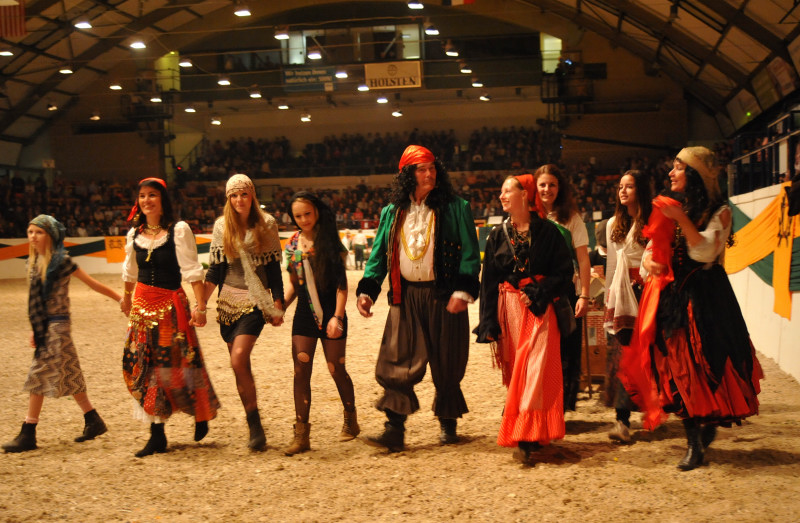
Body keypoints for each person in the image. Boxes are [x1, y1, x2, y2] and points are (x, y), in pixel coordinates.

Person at [628, 146, 762, 470]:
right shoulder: (671, 207)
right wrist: (649, 261)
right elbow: (649, 249)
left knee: (707, 364)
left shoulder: (720, 211)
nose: (671, 173)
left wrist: (682, 220)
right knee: (677, 369)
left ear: (695, 174)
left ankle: (709, 424)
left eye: (678, 168)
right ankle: (693, 444)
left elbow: (704, 252)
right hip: (674, 297)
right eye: (672, 167)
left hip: (707, 299)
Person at [356, 145, 481, 451]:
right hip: (406, 295)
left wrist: (462, 292)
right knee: (397, 358)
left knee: (447, 359)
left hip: (445, 295)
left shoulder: (456, 207)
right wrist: (367, 290)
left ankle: (448, 424)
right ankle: (394, 430)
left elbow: (469, 254)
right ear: (407, 176)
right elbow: (379, 256)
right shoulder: (392, 212)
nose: (430, 174)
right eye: (422, 169)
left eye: (433, 168)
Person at [475, 176, 574, 463]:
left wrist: (541, 290)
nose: (502, 195)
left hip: (541, 310)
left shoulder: (549, 233)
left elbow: (564, 273)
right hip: (510, 310)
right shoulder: (496, 235)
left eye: (508, 190)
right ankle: (534, 431)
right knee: (521, 371)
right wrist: (488, 321)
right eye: (502, 190)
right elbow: (489, 281)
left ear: (525, 195)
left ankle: (526, 434)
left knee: (536, 368)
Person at [120, 177, 220, 458]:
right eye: (142, 196)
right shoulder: (134, 234)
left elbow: (192, 270)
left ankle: (199, 411)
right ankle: (157, 434)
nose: (146, 200)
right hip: (141, 308)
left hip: (170, 307)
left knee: (180, 363)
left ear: (163, 199)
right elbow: (129, 271)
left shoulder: (178, 230)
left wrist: (200, 306)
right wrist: (126, 297)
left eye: (152, 195)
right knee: (144, 367)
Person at [2, 215, 121, 453]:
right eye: (30, 232)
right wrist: (36, 329)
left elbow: (92, 283)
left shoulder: (62, 262)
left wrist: (120, 298)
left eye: (39, 232)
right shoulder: (32, 264)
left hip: (58, 325)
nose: (32, 237)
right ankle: (92, 419)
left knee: (38, 375)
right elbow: (36, 303)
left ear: (51, 236)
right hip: (47, 326)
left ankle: (29, 431)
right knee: (70, 372)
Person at [196, 175, 284, 452]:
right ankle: (254, 425)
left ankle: (255, 425)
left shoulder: (266, 224)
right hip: (226, 303)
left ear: (252, 196)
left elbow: (273, 270)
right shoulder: (222, 226)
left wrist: (277, 304)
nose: (238, 200)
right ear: (228, 199)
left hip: (255, 301)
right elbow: (215, 270)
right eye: (233, 195)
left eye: (243, 194)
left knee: (238, 359)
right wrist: (200, 306)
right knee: (240, 368)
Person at [282, 191, 358, 455]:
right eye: (298, 216)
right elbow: (293, 285)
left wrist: (337, 317)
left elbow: (341, 286)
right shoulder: (291, 244)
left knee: (336, 369)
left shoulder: (330, 242)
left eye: (307, 214)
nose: (303, 219)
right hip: (304, 314)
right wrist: (280, 306)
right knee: (300, 371)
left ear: (316, 212)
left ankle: (351, 419)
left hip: (331, 312)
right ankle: (301, 435)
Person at [534, 164, 591, 412]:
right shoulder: (528, 216)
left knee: (565, 350)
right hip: (534, 294)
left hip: (564, 294)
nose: (547, 189)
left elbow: (583, 260)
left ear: (560, 188)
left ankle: (562, 406)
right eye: (543, 184)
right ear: (534, 188)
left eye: (552, 184)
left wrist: (585, 295)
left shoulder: (571, 218)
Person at [602, 170, 652, 443]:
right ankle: (622, 421)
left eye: (629, 186)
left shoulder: (653, 220)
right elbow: (612, 264)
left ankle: (650, 411)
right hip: (621, 297)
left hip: (645, 293)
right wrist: (609, 298)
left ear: (640, 190)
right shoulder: (612, 224)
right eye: (620, 186)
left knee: (647, 355)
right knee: (620, 356)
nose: (622, 191)